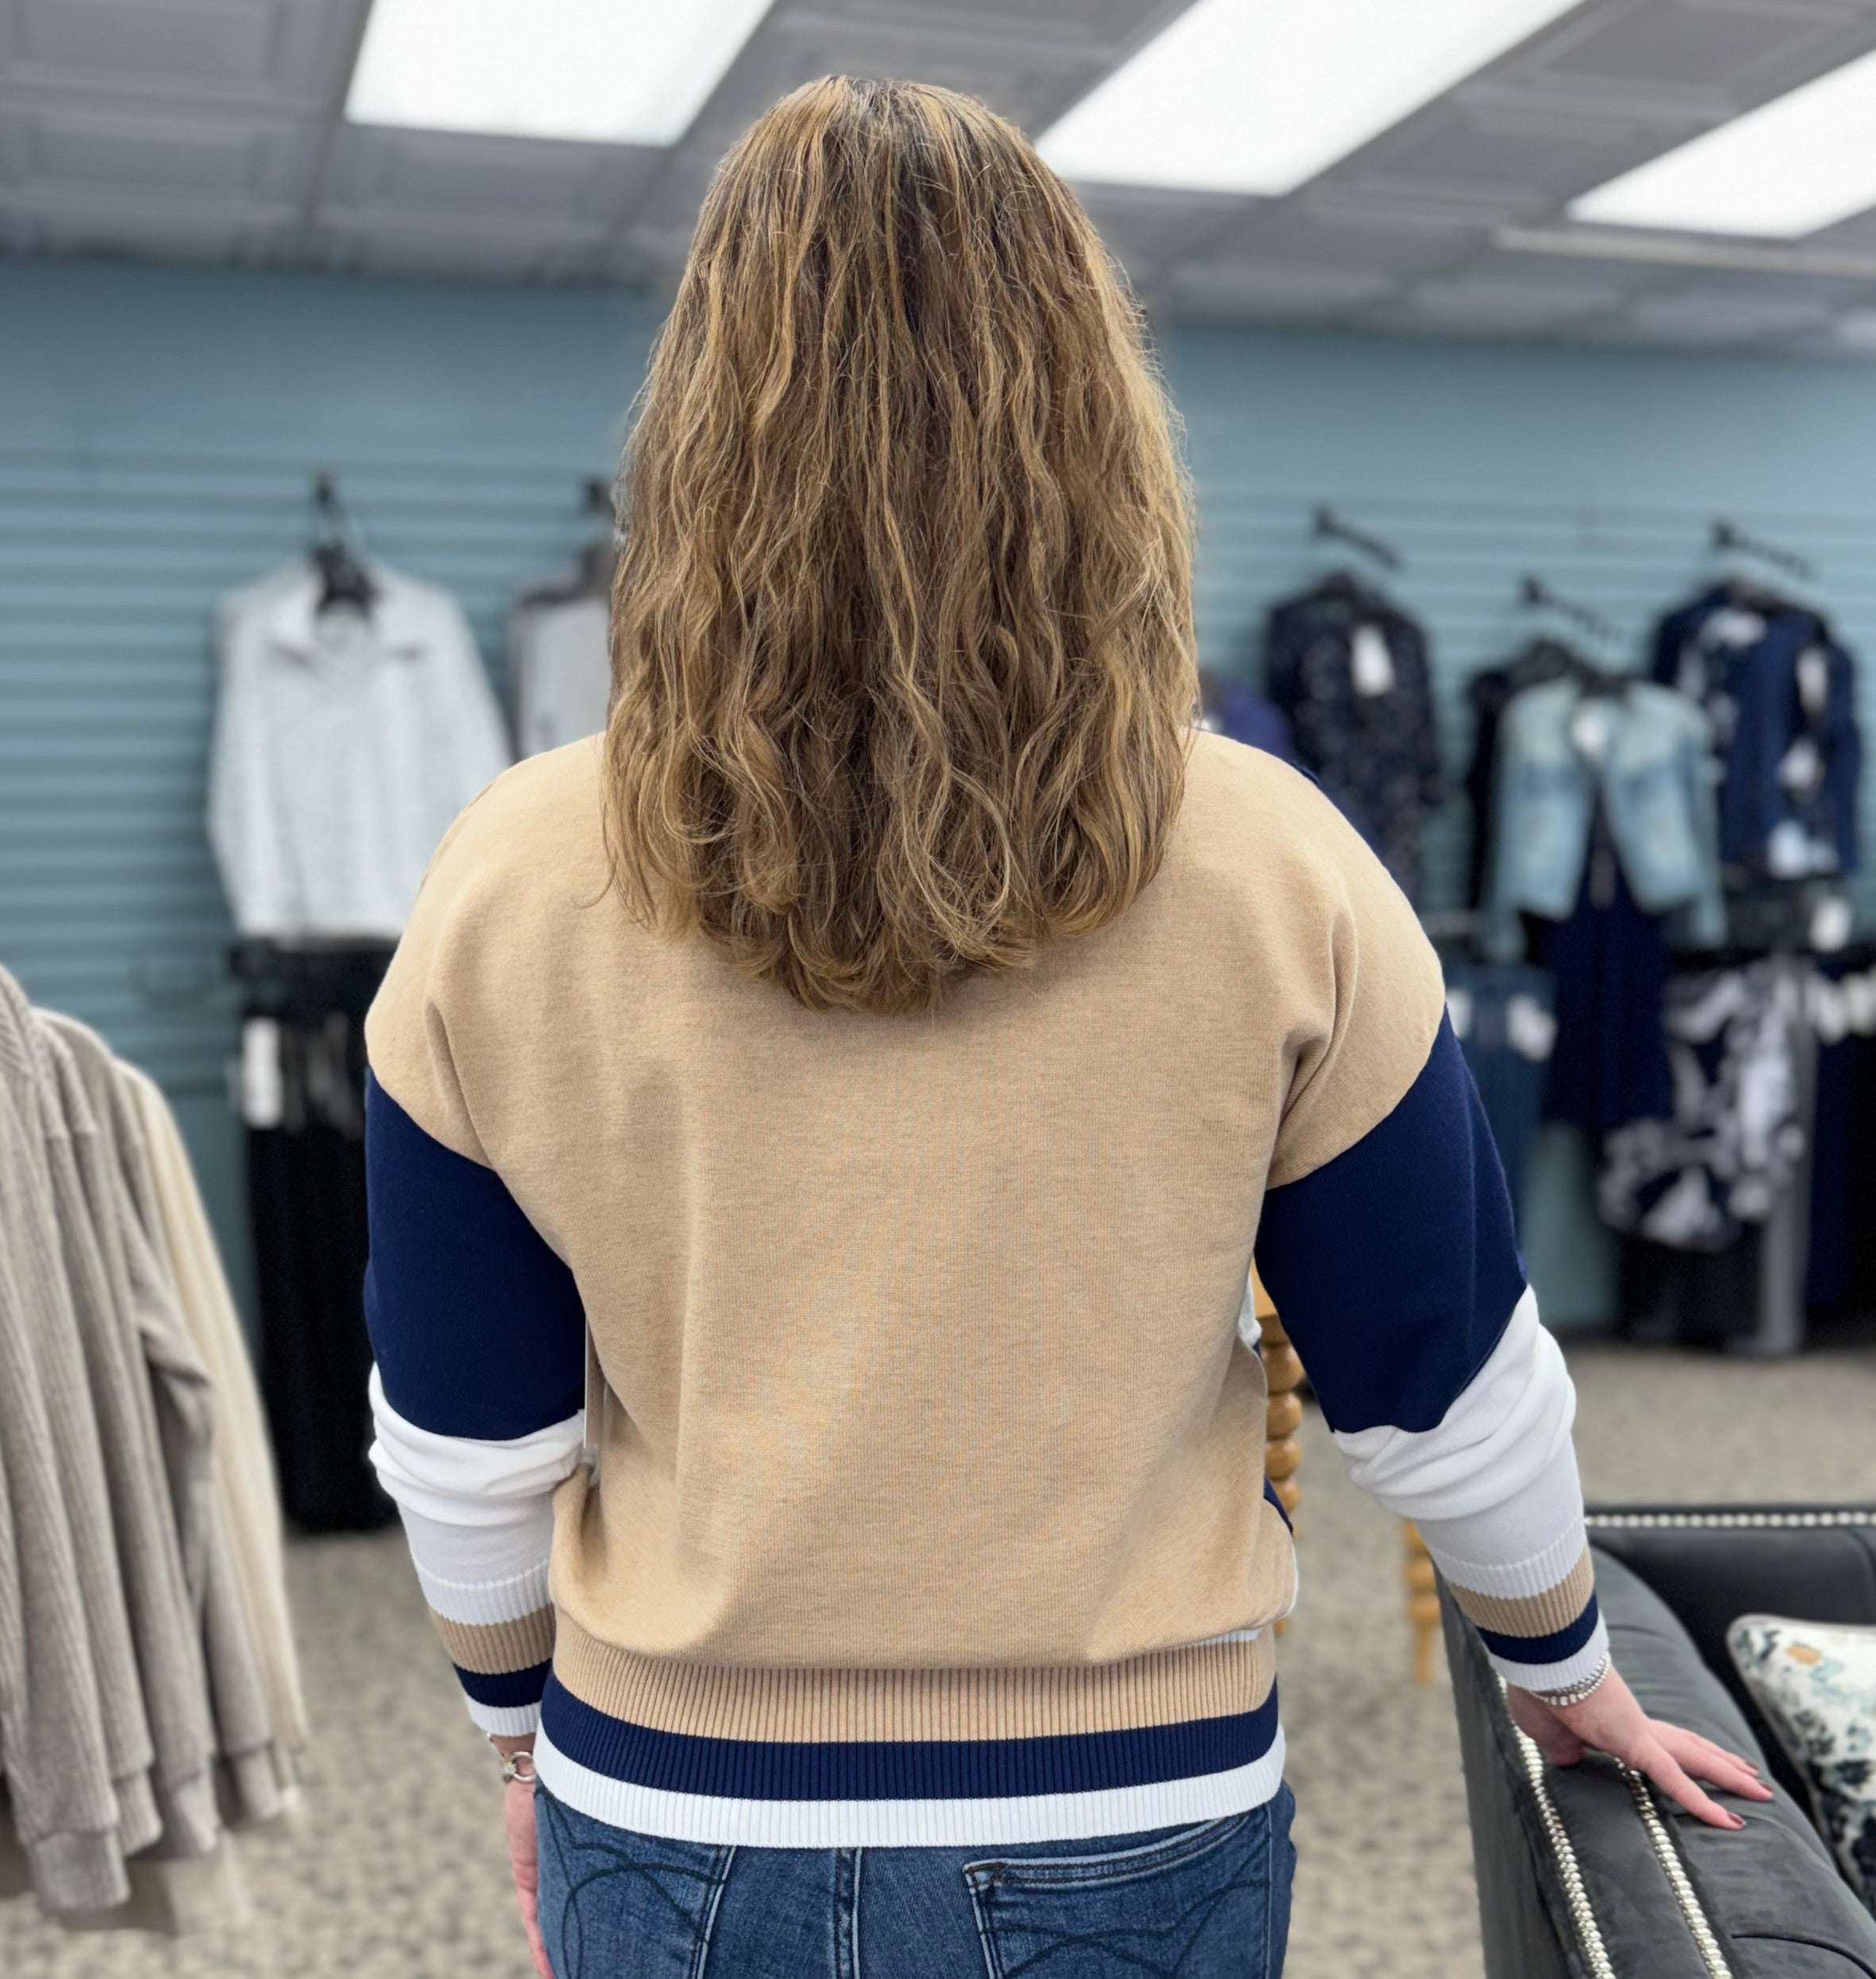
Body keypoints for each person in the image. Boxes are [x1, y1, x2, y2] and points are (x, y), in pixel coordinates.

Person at [359, 75, 1769, 1979]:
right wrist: (1559, 1659)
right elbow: (1438, 1372)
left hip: (678, 1798)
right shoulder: (1271, 859)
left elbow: (469, 1429)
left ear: (689, 434)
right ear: (1098, 419)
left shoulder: (512, 873)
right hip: (1127, 1805)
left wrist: (518, 1733)